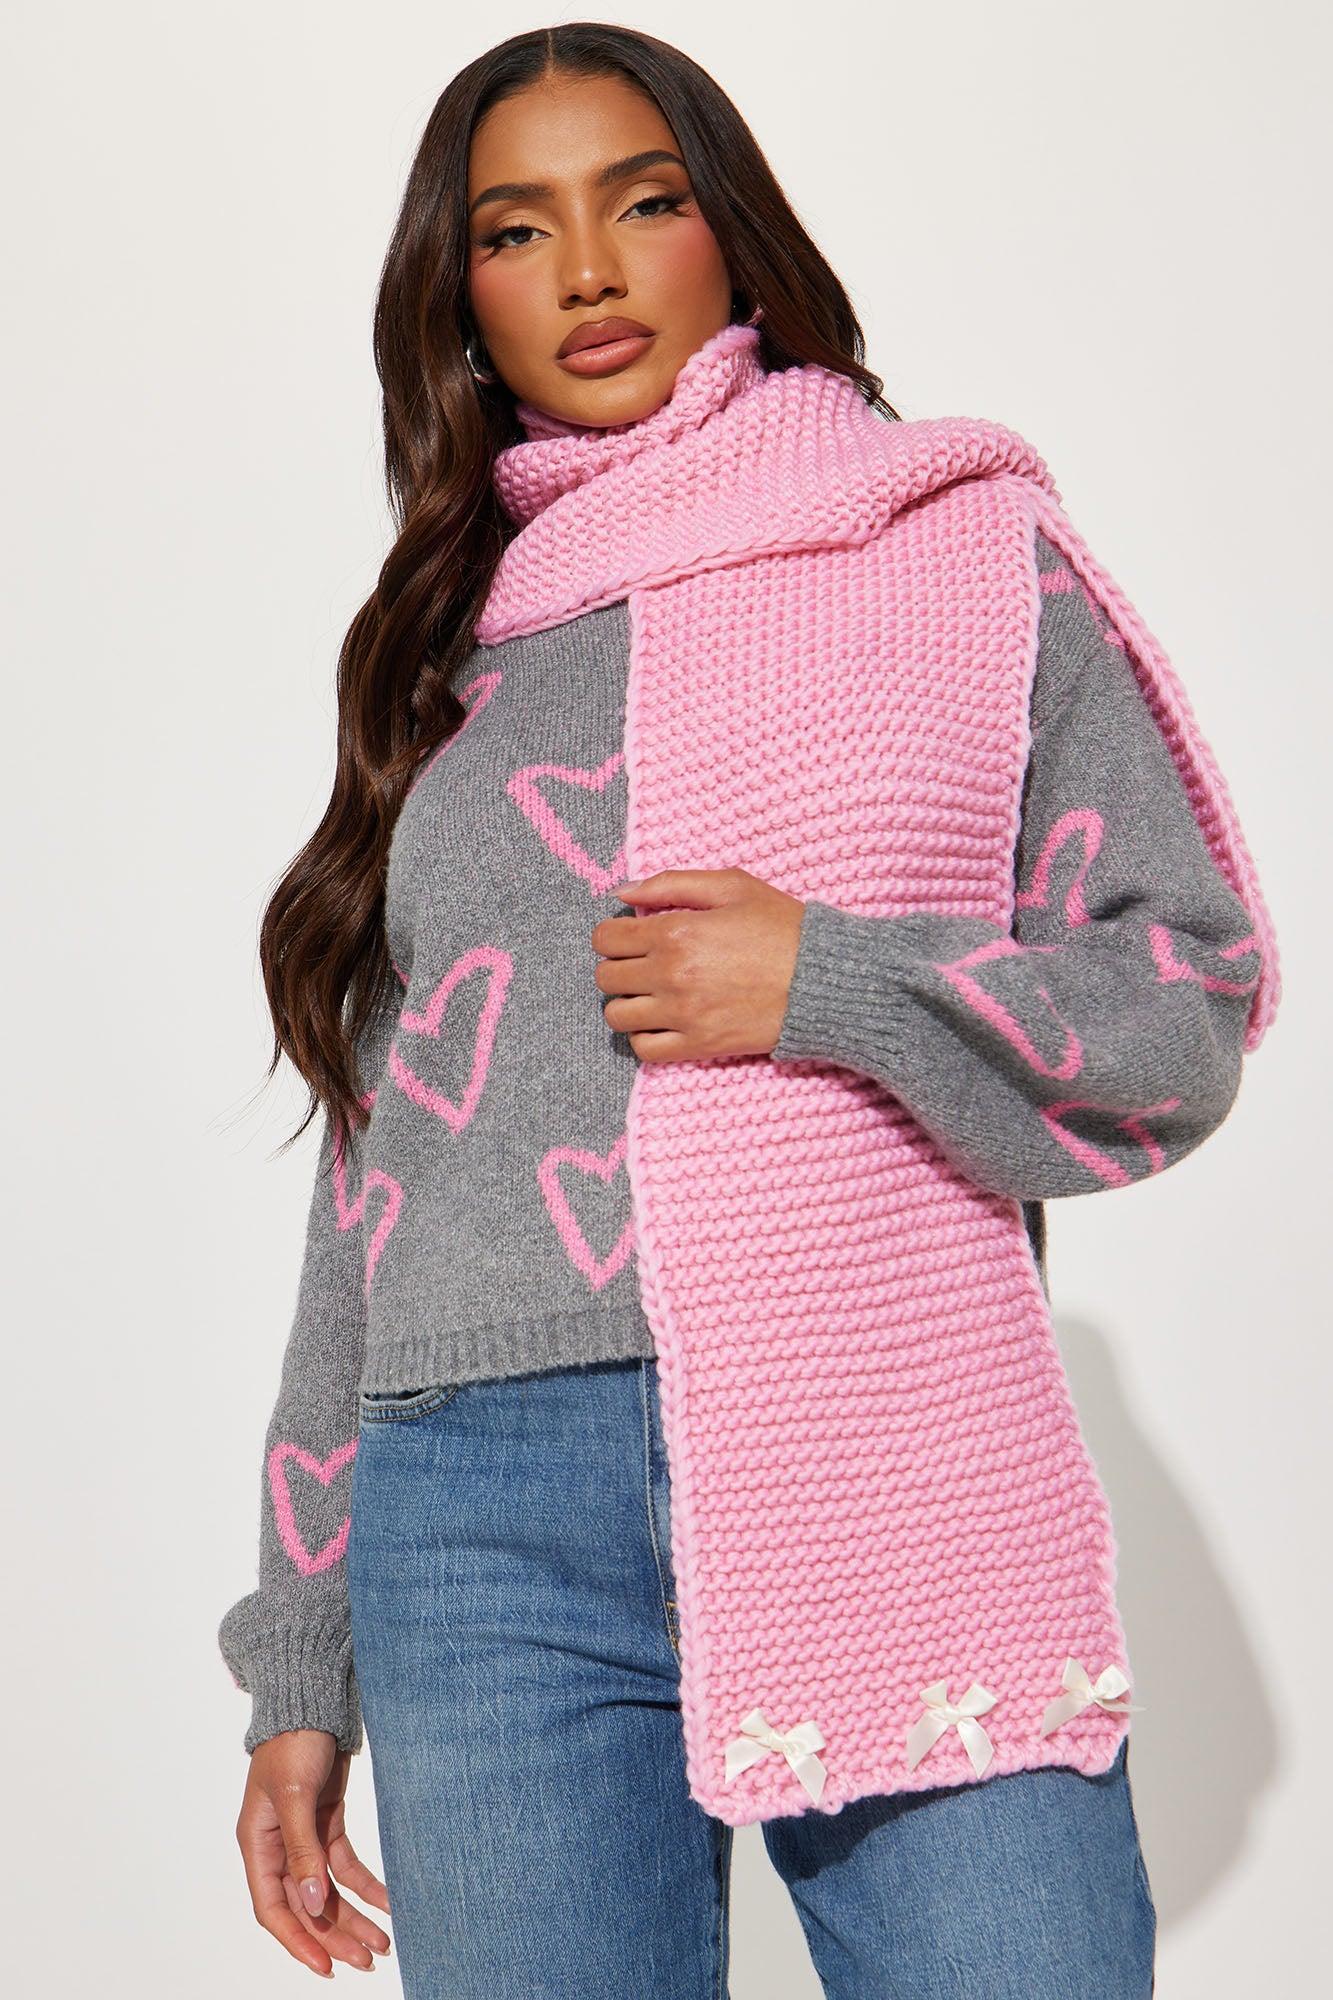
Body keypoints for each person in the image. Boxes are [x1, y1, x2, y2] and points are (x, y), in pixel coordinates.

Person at [217, 22, 1279, 1996]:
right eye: (515, 231)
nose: (587, 270)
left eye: (642, 202)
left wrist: (833, 981)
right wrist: (300, 1651)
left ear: (732, 233)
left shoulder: (952, 543)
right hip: (479, 1517)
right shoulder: (448, 650)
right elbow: (377, 1176)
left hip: (884, 1441)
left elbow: (1182, 1002)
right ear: (459, 297)